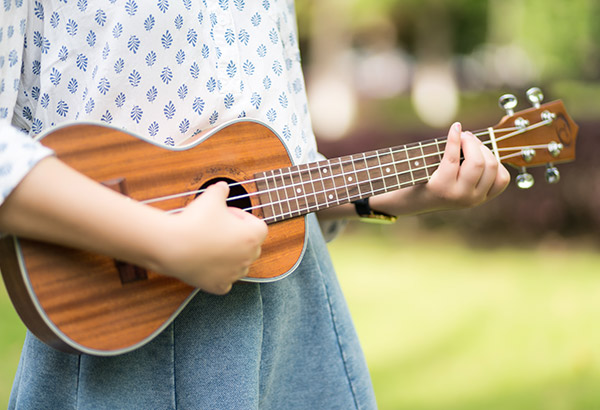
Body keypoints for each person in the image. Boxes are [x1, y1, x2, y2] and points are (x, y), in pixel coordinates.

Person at [0, 1, 510, 409]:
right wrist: (163, 242)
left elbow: (272, 172)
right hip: (121, 323)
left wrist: (390, 196)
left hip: (297, 326)